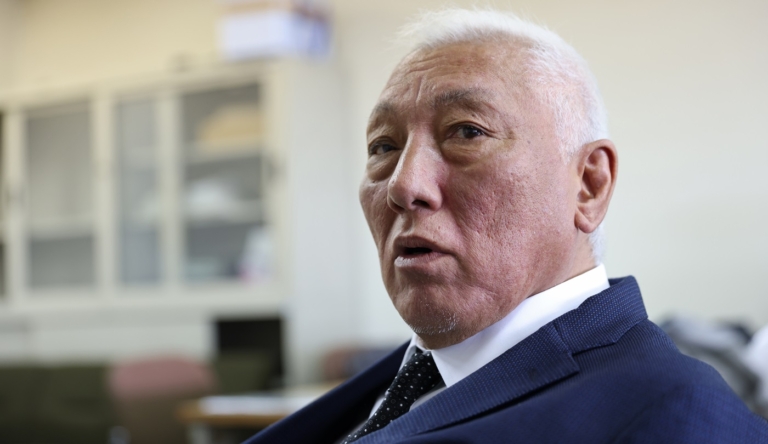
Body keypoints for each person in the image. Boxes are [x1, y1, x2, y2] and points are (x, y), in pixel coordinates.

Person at [245, 8, 768, 443]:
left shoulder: (675, 414)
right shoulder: (408, 378)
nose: (404, 185)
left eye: (467, 132)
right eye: (384, 145)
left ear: (589, 185)